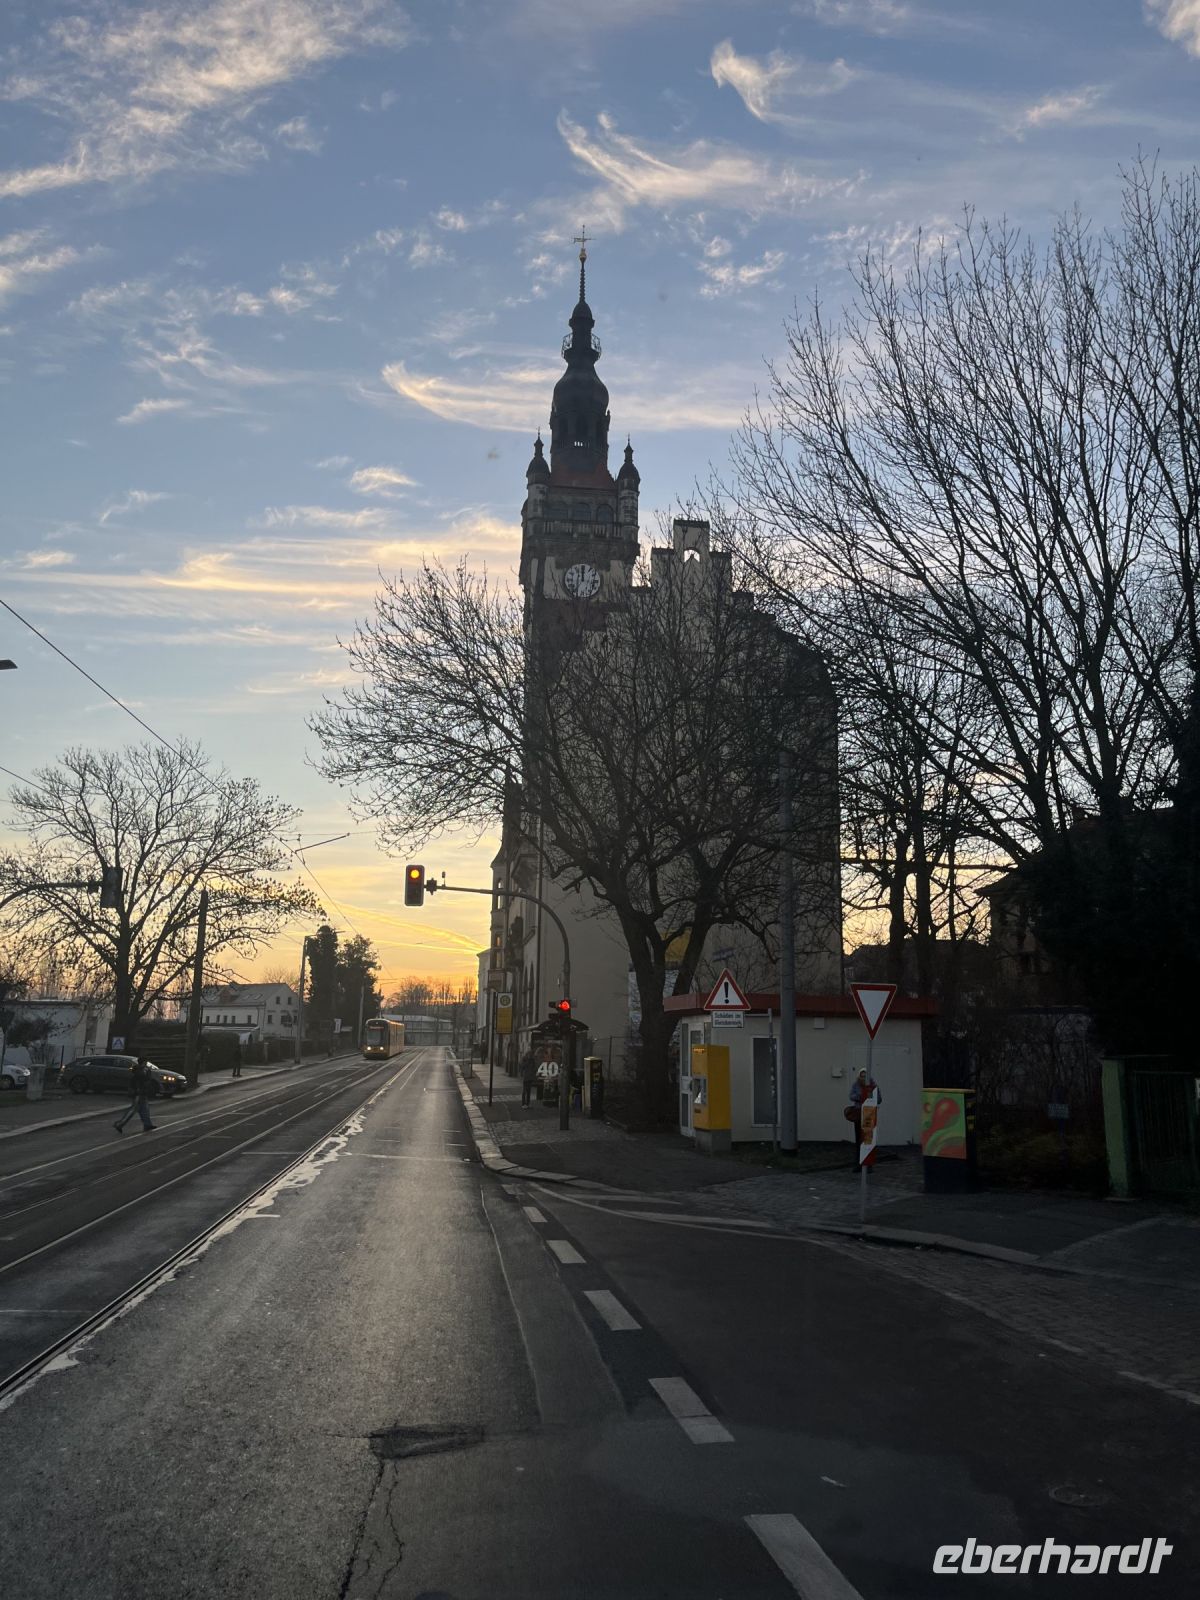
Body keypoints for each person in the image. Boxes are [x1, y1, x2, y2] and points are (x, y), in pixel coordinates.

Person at [114, 1052, 156, 1134]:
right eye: (145, 1062)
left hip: (141, 1092)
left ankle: (147, 1124)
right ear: (143, 1062)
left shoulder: (140, 1070)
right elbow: (141, 1081)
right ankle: (119, 1124)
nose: (146, 1064)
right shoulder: (140, 1071)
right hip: (139, 1092)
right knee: (134, 1109)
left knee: (144, 1109)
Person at [848, 1066, 881, 1168]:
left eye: (865, 1076)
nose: (863, 1078)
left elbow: (879, 1099)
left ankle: (868, 1164)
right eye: (861, 1076)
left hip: (869, 1114)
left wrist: (870, 1097)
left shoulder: (873, 1086)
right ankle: (858, 1163)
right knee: (859, 1139)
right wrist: (860, 1096)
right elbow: (851, 1096)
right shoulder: (856, 1085)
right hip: (859, 1114)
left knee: (868, 1140)